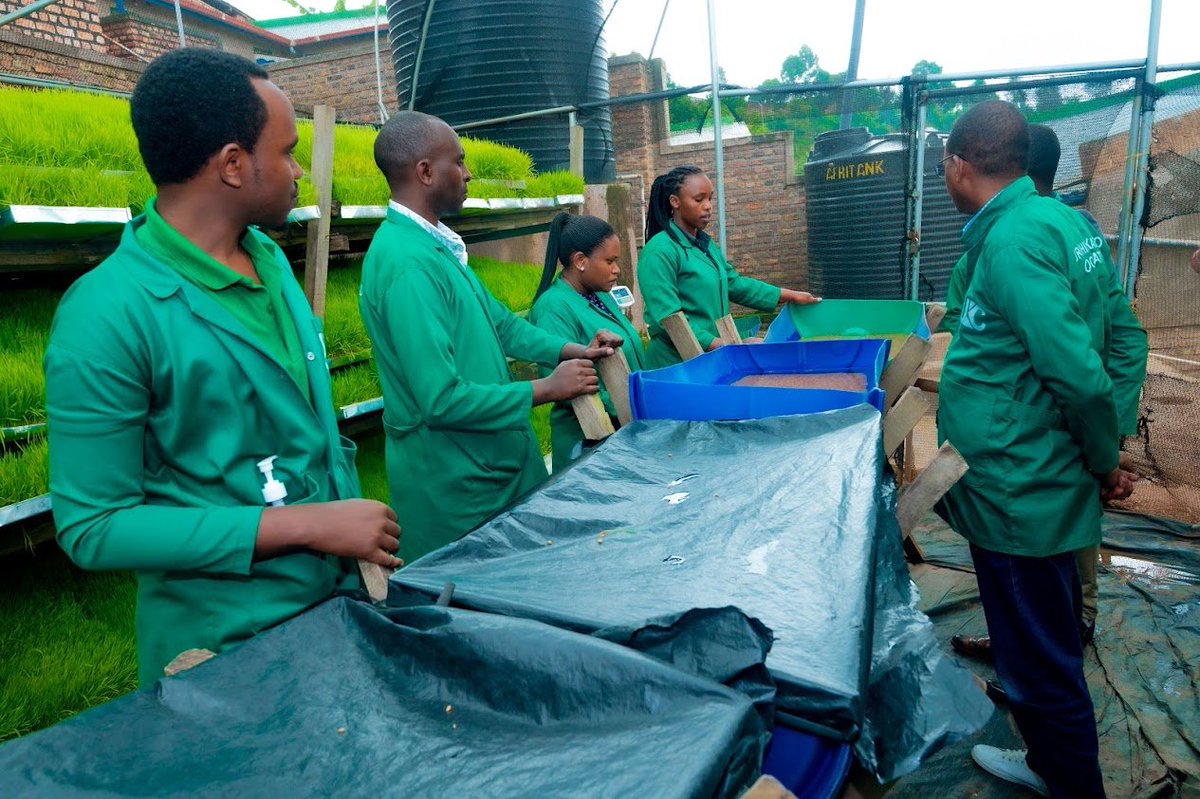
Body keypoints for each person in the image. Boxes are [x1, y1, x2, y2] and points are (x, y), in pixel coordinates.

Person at [44, 48, 402, 688]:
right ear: (233, 165)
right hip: (228, 655)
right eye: (288, 152)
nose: (299, 172)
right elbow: (94, 527)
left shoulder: (266, 258)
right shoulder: (106, 314)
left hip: (336, 609)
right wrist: (308, 524)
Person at [936, 101, 1147, 798]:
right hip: (1032, 479)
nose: (944, 171)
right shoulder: (1061, 223)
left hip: (1022, 494)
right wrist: (1107, 443)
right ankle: (1048, 763)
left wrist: (1105, 458)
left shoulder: (1015, 243)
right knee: (1040, 646)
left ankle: (1070, 782)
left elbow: (1079, 376)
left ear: (961, 167)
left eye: (944, 162)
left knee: (1040, 663)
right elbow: (1122, 334)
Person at [359, 111, 621, 564]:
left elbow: (501, 325)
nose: (468, 173)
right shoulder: (407, 265)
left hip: (492, 467)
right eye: (457, 163)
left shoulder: (435, 247)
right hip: (462, 489)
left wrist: (575, 350)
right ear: (425, 172)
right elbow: (439, 400)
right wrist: (547, 388)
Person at [637, 165, 820, 368]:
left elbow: (735, 284)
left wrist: (789, 295)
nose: (708, 206)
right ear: (675, 202)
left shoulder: (704, 244)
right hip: (675, 365)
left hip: (709, 357)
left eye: (710, 199)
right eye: (699, 199)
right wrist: (728, 346)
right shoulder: (659, 251)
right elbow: (667, 317)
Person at [528, 212, 646, 470]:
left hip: (626, 429)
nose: (617, 269)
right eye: (610, 261)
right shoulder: (553, 307)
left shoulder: (600, 296)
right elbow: (564, 384)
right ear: (580, 260)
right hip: (588, 448)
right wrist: (636, 403)